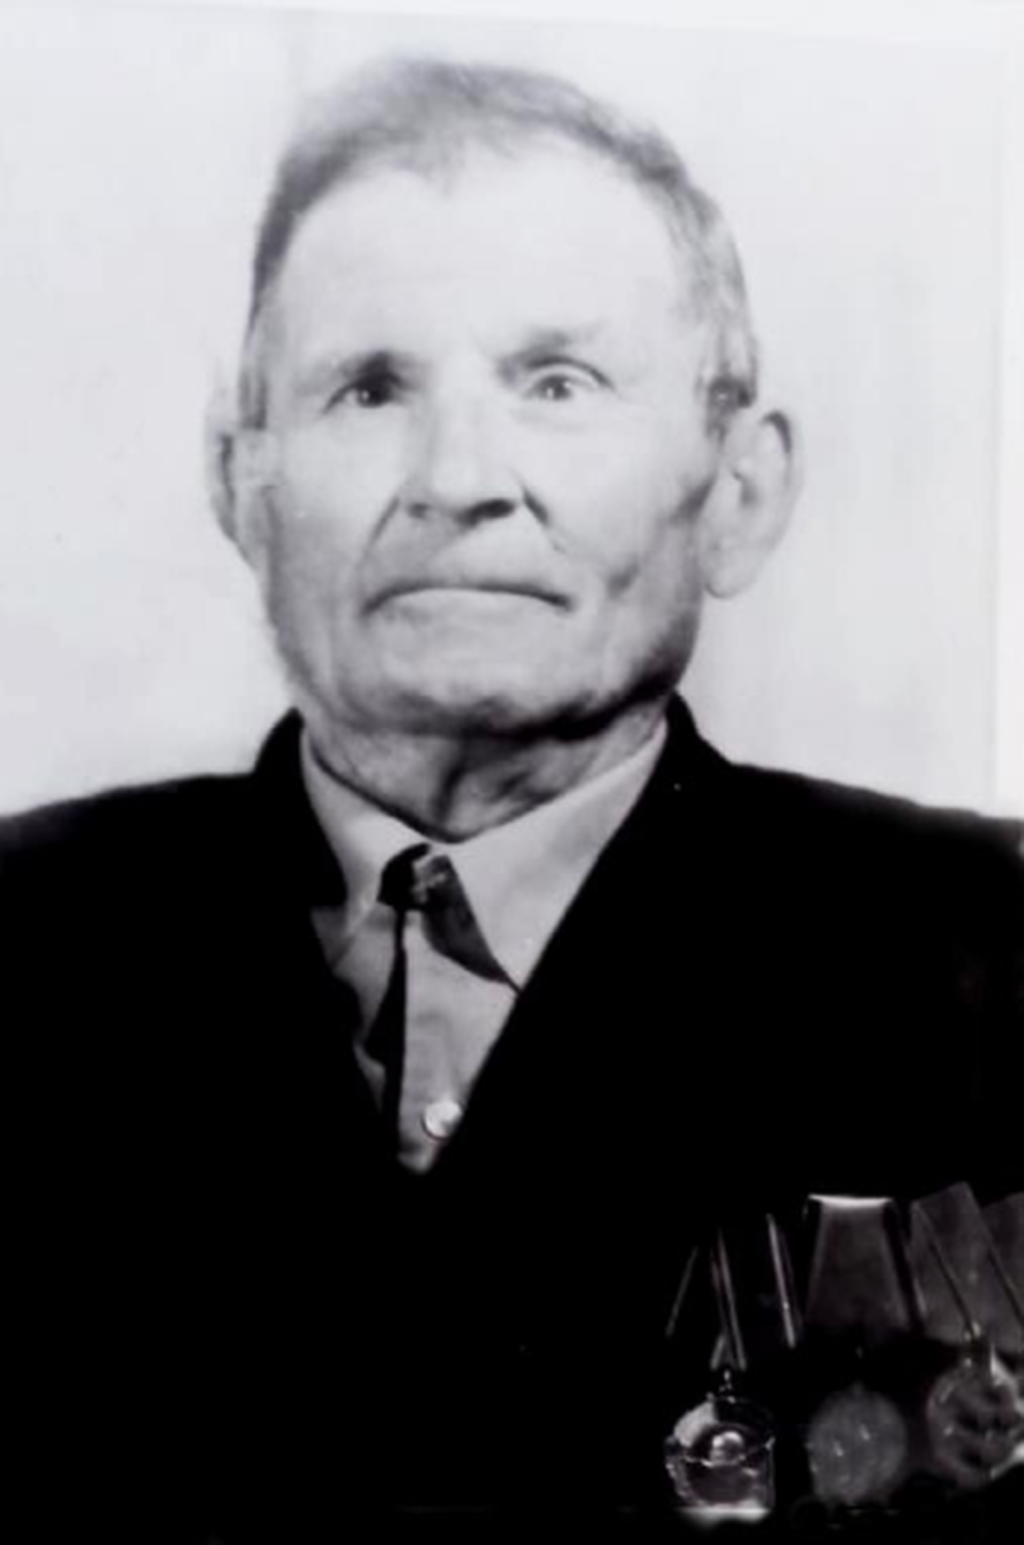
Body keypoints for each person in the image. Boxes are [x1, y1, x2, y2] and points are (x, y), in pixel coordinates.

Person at [2, 56, 1021, 1542]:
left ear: (738, 490)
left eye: (558, 383)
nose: (460, 477)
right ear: (239, 480)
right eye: (369, 388)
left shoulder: (989, 952)